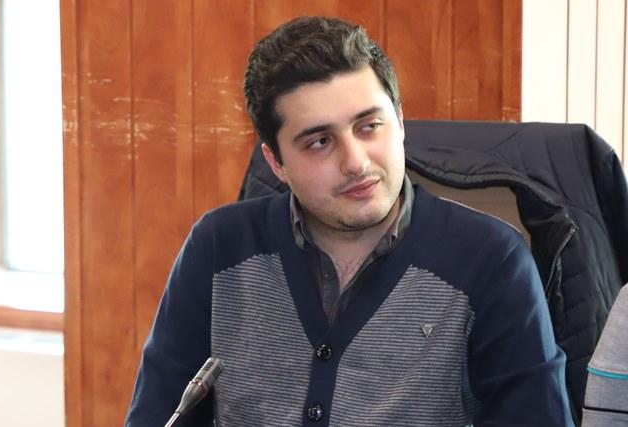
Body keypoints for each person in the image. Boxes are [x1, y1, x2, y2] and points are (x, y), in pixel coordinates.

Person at [125, 16, 574, 426]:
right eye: (320, 142)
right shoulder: (218, 249)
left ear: (400, 121)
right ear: (276, 162)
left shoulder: (490, 261)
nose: (356, 162)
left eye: (369, 126)